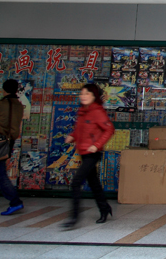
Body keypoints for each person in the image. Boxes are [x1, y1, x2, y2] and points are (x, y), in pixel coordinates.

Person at [62, 83, 115, 229]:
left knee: (76, 182)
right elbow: (81, 130)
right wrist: (73, 136)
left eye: (87, 94)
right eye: (82, 93)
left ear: (94, 96)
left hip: (93, 153)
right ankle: (104, 208)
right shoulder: (82, 111)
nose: (83, 96)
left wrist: (97, 145)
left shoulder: (97, 111)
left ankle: (74, 218)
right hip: (83, 152)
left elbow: (109, 129)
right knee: (93, 183)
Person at [0, 79, 25, 216]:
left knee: (0, 174)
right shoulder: (19, 105)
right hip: (10, 142)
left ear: (4, 89)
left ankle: (15, 201)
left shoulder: (2, 104)